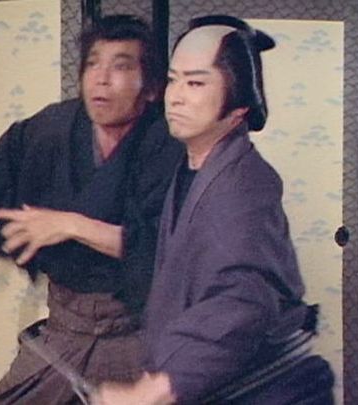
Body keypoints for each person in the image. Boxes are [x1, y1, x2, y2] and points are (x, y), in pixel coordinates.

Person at [0, 14, 182, 404]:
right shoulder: (58, 124)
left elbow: (162, 246)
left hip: (134, 330)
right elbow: (9, 154)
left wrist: (69, 224)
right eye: (93, 63)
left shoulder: (167, 144)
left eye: (120, 66)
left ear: (151, 88)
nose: (101, 78)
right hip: (67, 326)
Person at [93, 15, 335, 405]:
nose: (175, 97)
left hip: (261, 387)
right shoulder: (191, 167)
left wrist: (157, 389)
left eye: (195, 83)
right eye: (173, 80)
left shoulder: (245, 184)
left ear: (239, 104)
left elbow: (243, 298)